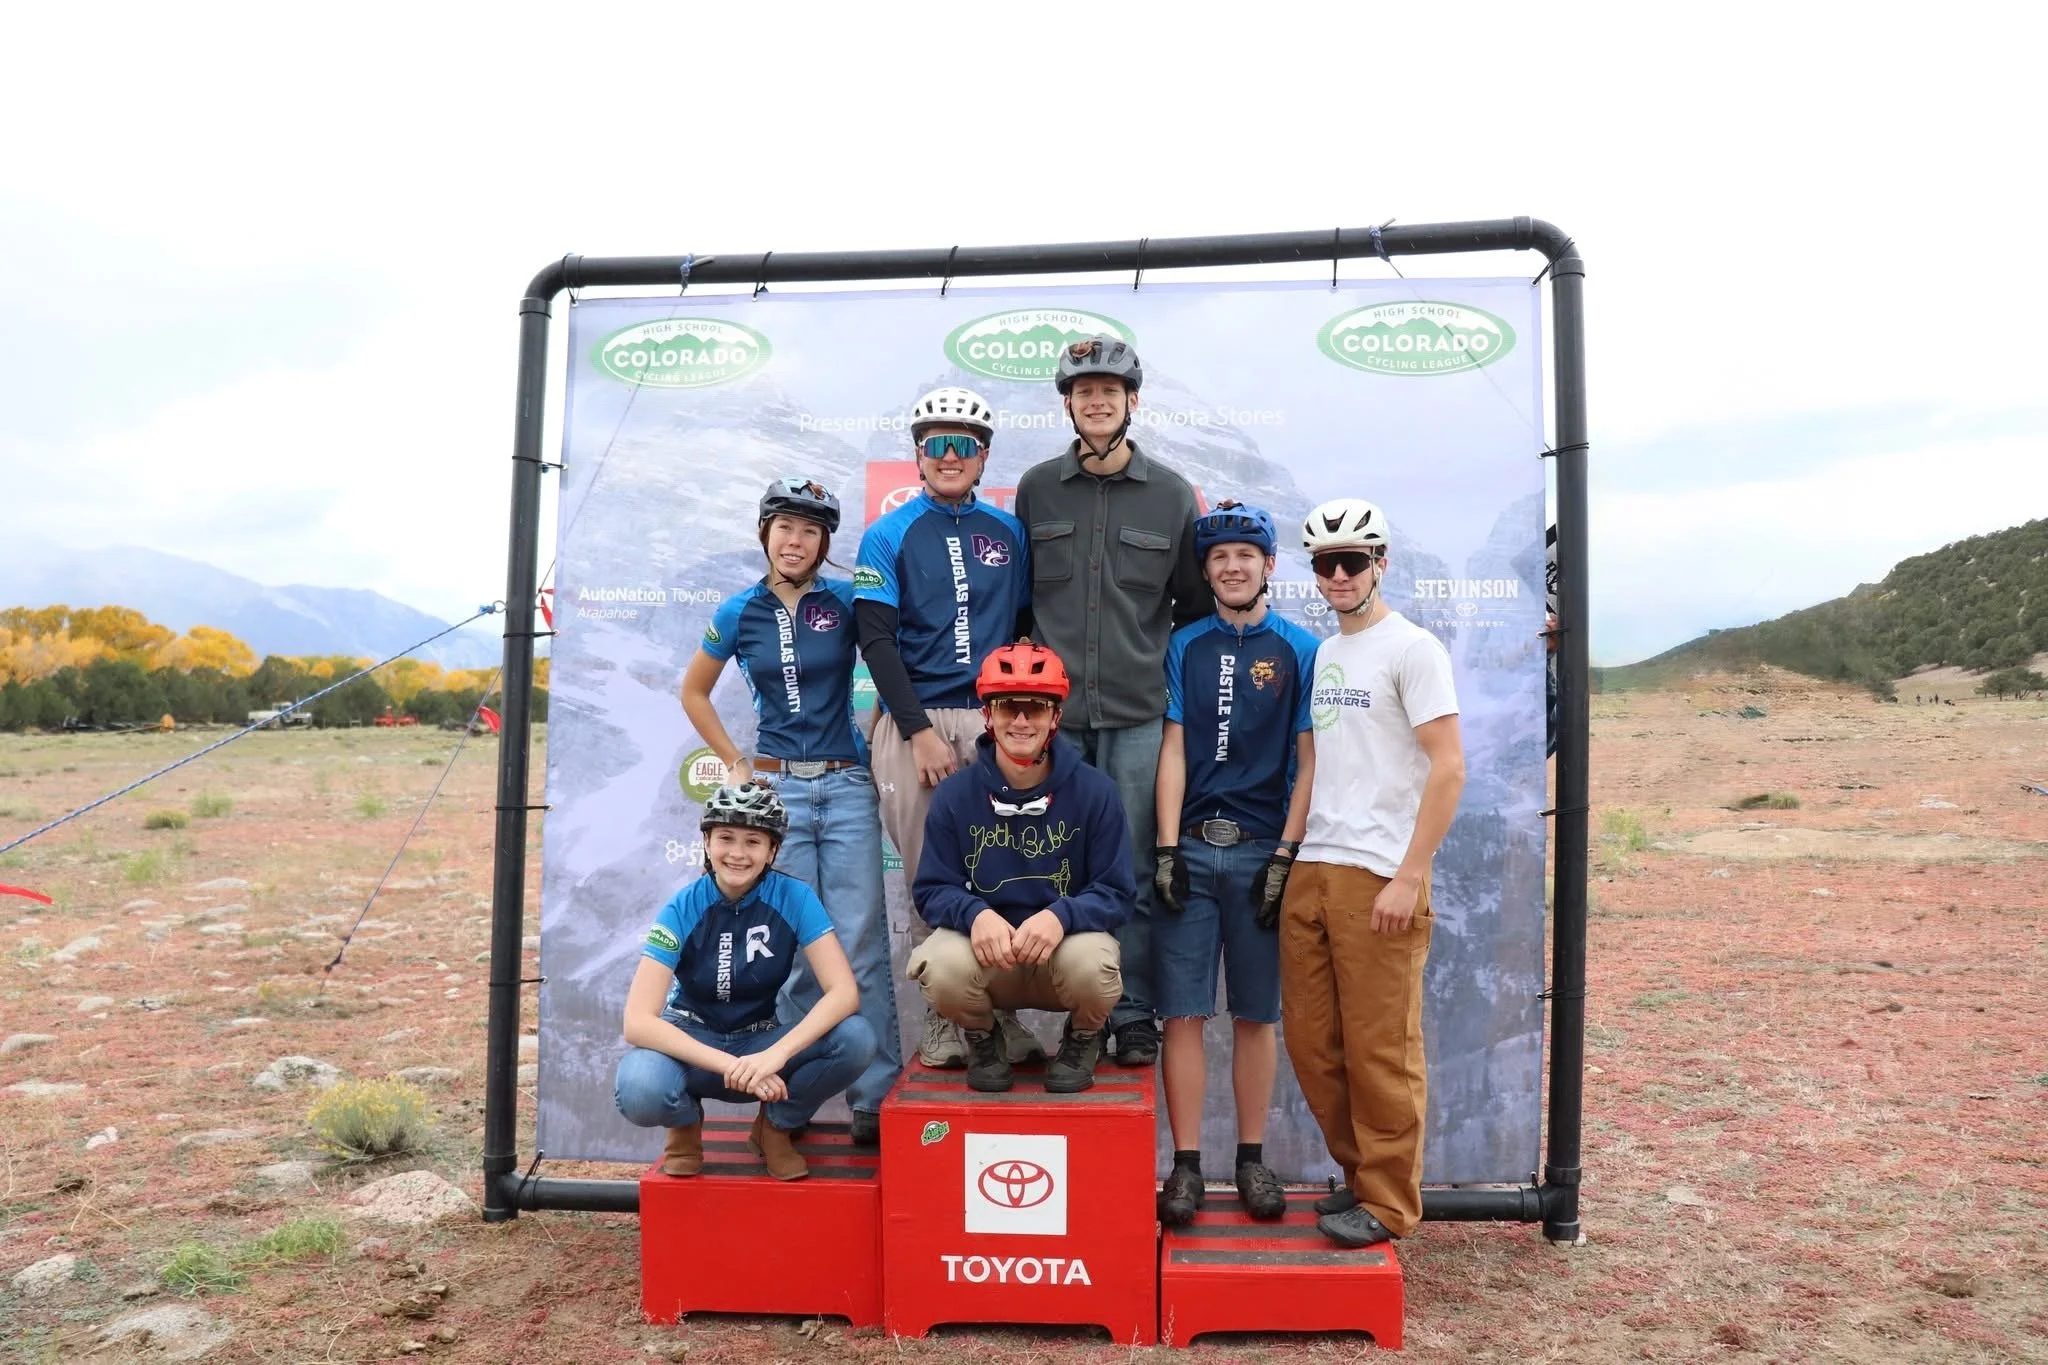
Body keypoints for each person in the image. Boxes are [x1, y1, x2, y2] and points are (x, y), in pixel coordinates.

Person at [678, 478, 899, 1148]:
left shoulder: (845, 600)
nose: (795, 540)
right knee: (800, 949)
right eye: (784, 527)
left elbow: (890, 664)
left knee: (859, 937)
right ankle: (793, 1099)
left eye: (809, 530)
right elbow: (693, 690)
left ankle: (874, 1094)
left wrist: (883, 733)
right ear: (764, 533)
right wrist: (740, 766)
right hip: (779, 794)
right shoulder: (738, 610)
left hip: (849, 783)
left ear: (824, 542)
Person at [1014, 336, 1210, 1070]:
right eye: (1083, 390)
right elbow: (1019, 601)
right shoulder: (1036, 489)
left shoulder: (1171, 494)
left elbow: (1190, 608)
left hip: (1136, 715)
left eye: (1110, 390)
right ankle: (1067, 1009)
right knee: (1053, 864)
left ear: (1133, 401)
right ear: (1067, 403)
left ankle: (1128, 1012)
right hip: (1052, 720)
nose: (1097, 401)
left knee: (1128, 868)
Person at [1282, 497, 1466, 1249]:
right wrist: (1288, 856)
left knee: (1380, 1048)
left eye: (1352, 561)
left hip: (1379, 875)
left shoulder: (1412, 648)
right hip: (1316, 865)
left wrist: (1408, 875)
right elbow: (1318, 760)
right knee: (1313, 1044)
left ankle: (1389, 1203)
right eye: (1324, 564)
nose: (1337, 575)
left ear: (1379, 564)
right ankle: (1360, 1179)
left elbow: (1449, 767)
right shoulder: (1327, 654)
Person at [855, 388, 1041, 1071]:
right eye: (938, 444)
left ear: (984, 455)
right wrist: (918, 730)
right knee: (930, 875)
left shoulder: (1008, 531)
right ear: (918, 456)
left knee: (1009, 867)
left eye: (965, 444)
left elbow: (1023, 628)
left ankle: (1002, 1015)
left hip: (998, 719)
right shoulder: (890, 532)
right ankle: (943, 1019)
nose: (951, 455)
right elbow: (875, 641)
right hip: (918, 720)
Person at [1151, 502, 1320, 1224]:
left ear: (1269, 564)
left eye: (1246, 554)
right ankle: (1186, 1166)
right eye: (1218, 557)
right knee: (1182, 1013)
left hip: (1261, 852)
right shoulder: (1184, 644)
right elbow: (1172, 747)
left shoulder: (1302, 648)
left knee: (1256, 1014)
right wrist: (1164, 845)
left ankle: (1252, 1159)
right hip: (1192, 846)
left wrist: (1286, 851)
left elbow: (1310, 760)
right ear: (1207, 570)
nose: (1231, 566)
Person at [614, 783, 877, 1181]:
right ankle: (685, 1126)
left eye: (753, 841)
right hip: (694, 1044)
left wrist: (776, 1055)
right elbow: (638, 1021)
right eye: (725, 838)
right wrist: (733, 1065)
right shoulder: (681, 906)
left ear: (772, 851)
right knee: (639, 1087)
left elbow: (844, 993)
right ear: (706, 842)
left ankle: (775, 1128)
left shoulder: (795, 897)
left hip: (760, 1042)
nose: (738, 853)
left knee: (855, 1038)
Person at [906, 642, 1133, 1093]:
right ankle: (983, 1036)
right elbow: (932, 890)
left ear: (1056, 718)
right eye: (1009, 708)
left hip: (1061, 957)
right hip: (991, 958)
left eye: (1035, 708)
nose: (1022, 721)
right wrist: (976, 915)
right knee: (938, 962)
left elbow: (1116, 891)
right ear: (988, 716)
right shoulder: (956, 795)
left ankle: (1084, 1037)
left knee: (1095, 964)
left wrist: (1060, 916)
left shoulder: (1096, 791)